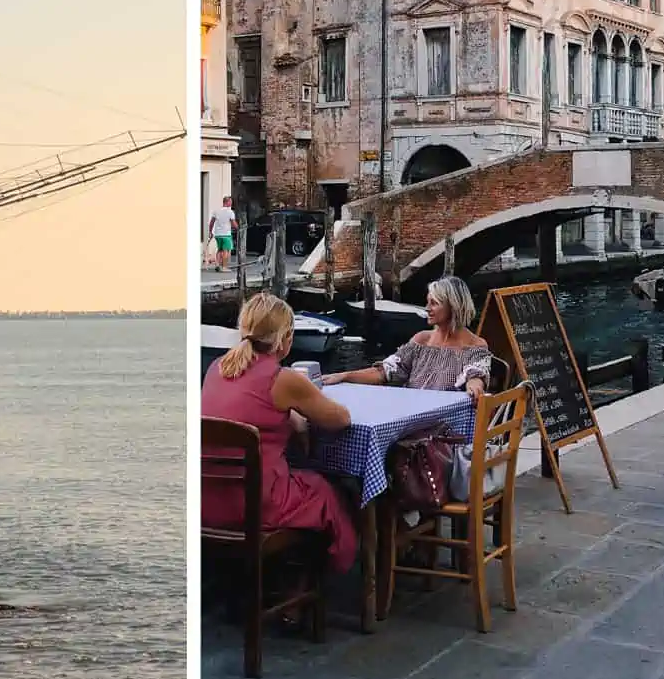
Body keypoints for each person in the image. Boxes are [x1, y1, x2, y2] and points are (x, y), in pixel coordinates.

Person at [200, 293, 358, 575]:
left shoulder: (216, 368)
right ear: (285, 339)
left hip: (207, 501)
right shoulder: (283, 379)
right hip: (253, 507)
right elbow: (340, 420)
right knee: (327, 491)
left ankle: (272, 579)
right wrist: (297, 416)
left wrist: (290, 416)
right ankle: (317, 583)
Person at [323, 275, 493, 398]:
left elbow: (476, 375)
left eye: (434, 303)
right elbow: (385, 372)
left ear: (454, 307)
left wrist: (475, 385)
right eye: (428, 302)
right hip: (412, 416)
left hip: (446, 427)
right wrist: (344, 376)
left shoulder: (474, 345)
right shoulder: (421, 340)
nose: (427, 308)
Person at [208, 197, 238, 272]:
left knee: (219, 250)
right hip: (226, 234)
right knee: (226, 251)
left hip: (218, 234)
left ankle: (218, 265)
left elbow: (211, 222)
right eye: (230, 202)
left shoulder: (216, 211)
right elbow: (233, 223)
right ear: (227, 202)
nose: (231, 203)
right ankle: (224, 267)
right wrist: (238, 228)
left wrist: (210, 232)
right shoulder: (230, 212)